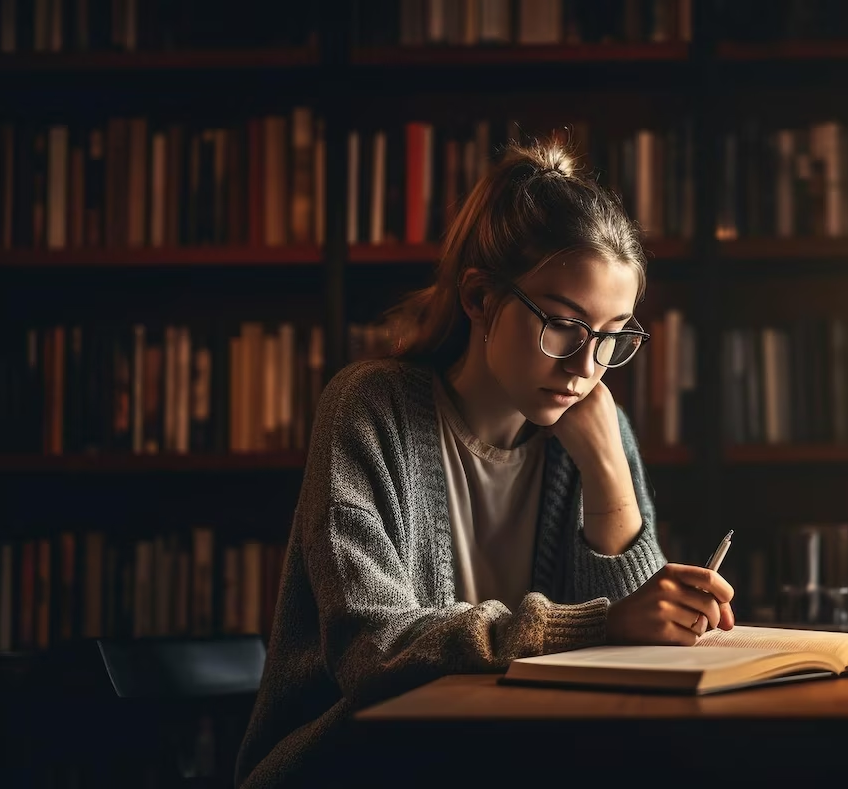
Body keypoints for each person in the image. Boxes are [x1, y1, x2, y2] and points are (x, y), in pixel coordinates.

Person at [234, 138, 735, 788]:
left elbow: (632, 665)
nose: (586, 367)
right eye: (563, 325)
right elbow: (372, 647)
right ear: (479, 300)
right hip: (351, 765)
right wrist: (598, 621)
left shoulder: (597, 426)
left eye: (613, 336)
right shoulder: (369, 406)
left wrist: (609, 474)